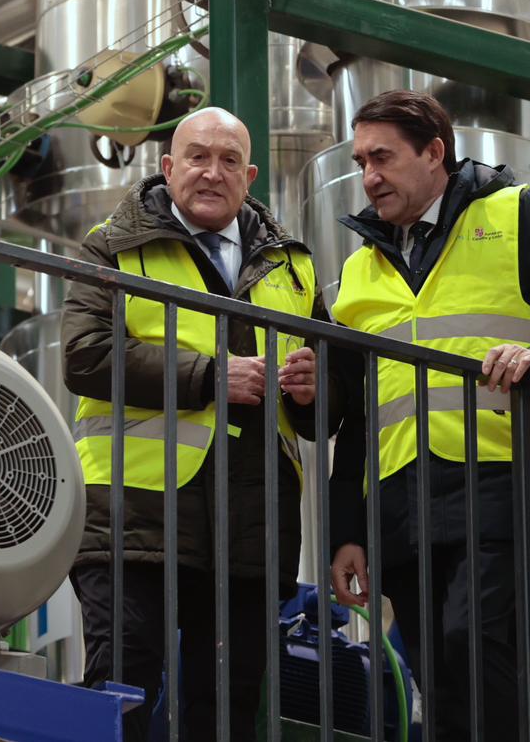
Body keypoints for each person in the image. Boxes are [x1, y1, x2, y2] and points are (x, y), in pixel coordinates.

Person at [326, 89, 530, 741]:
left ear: (434, 153)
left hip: (501, 484)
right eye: (361, 162)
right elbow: (357, 410)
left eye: (383, 157)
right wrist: (347, 530)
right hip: (400, 506)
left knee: (477, 642)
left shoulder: (517, 214)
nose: (369, 176)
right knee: (438, 680)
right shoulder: (359, 269)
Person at [62, 107, 340, 741]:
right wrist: (211, 376)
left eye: (228, 160)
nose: (212, 172)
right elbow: (85, 356)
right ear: (168, 167)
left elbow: (324, 405)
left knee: (228, 710)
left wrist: (314, 388)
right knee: (122, 691)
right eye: (197, 157)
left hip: (251, 525)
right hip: (133, 515)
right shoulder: (113, 245)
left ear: (249, 176)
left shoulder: (293, 268)